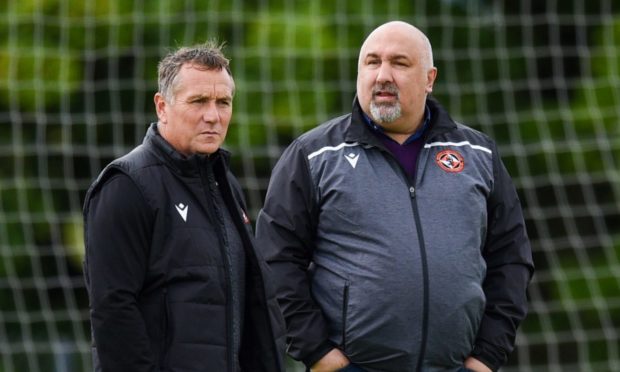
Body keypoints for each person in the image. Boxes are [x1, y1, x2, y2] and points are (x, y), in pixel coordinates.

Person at [255, 21, 534, 372]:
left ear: (429, 79)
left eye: (399, 63)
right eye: (372, 62)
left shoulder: (478, 154)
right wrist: (319, 354)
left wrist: (486, 357)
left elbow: (512, 258)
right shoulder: (313, 155)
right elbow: (274, 259)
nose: (382, 75)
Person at [83, 41, 285, 372]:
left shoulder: (226, 184)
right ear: (162, 106)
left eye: (223, 102)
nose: (213, 116)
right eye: (198, 101)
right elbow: (112, 311)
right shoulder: (125, 186)